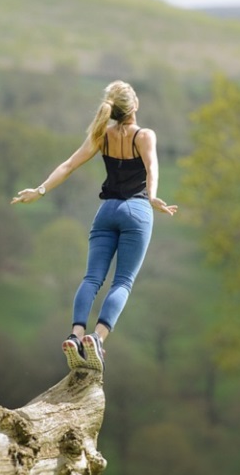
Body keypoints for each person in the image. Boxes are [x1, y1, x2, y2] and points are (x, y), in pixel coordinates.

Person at [11, 80, 177, 371]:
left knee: (91, 279)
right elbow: (152, 167)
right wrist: (151, 197)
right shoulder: (145, 135)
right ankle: (97, 339)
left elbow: (68, 165)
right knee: (123, 281)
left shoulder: (103, 135)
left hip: (106, 212)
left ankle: (75, 336)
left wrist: (39, 191)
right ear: (134, 106)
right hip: (136, 211)